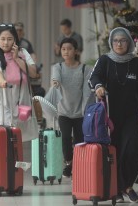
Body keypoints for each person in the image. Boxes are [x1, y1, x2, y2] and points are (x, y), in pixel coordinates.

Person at [89, 27, 138, 203]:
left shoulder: (136, 63)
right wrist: (99, 86)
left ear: (129, 42)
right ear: (111, 42)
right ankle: (122, 188)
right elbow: (93, 78)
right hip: (109, 116)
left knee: (132, 148)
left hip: (131, 115)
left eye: (123, 40)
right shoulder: (105, 60)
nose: (119, 44)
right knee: (114, 152)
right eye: (115, 40)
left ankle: (125, 185)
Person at [51, 37, 91, 177]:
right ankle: (69, 162)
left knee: (80, 141)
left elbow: (87, 92)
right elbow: (56, 77)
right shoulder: (58, 67)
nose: (66, 52)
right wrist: (55, 82)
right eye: (63, 49)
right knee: (66, 138)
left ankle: (77, 165)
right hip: (64, 111)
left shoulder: (85, 69)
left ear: (76, 51)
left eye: (69, 49)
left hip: (80, 112)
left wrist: (85, 110)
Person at [0, 24, 37, 130]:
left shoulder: (23, 53)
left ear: (15, 39)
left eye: (9, 39)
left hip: (21, 99)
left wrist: (16, 58)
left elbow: (33, 73)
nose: (6, 43)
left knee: (19, 134)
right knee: (4, 130)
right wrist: (2, 80)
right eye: (3, 39)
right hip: (3, 97)